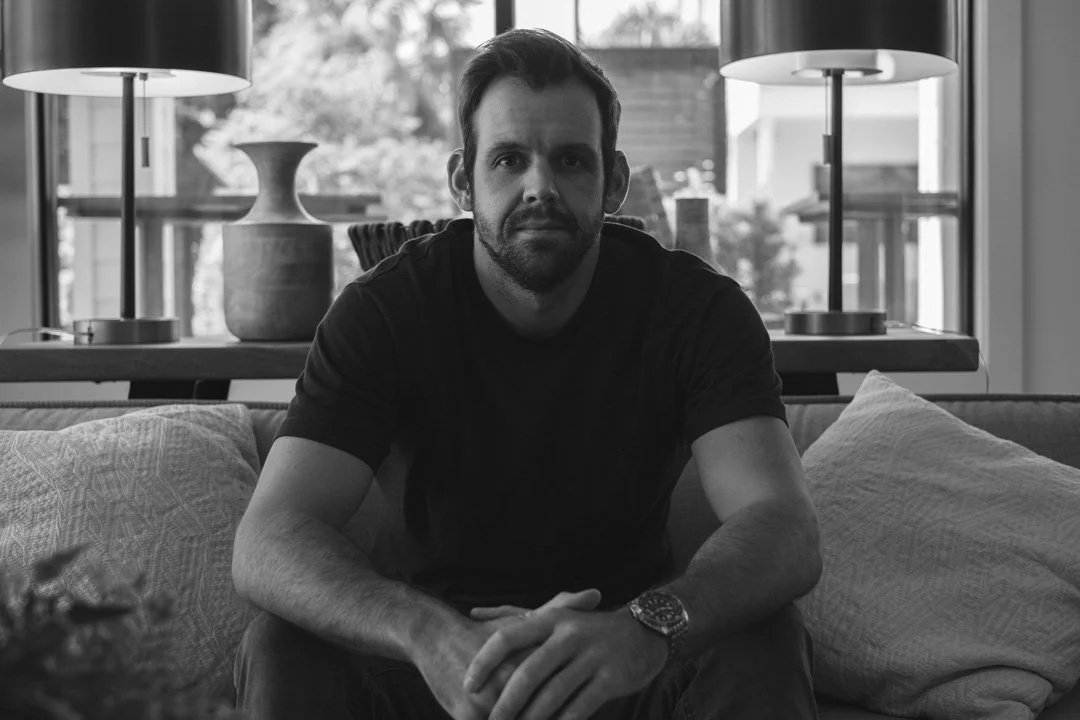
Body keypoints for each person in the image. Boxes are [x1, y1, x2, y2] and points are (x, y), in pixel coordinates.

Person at [232, 27, 822, 720]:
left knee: (765, 638)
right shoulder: (384, 311)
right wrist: (424, 632)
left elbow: (783, 526)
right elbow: (268, 539)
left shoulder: (696, 310)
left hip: (623, 656)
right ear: (463, 180)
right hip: (432, 665)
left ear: (614, 182)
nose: (540, 187)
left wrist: (647, 627)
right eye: (509, 159)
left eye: (571, 160)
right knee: (281, 643)